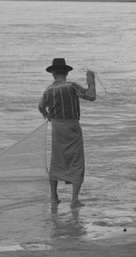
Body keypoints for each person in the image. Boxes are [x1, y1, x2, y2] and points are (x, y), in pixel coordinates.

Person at [38, 58, 96, 208]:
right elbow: (91, 96)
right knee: (76, 160)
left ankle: (53, 198)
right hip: (72, 127)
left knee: (56, 160)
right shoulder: (71, 86)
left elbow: (40, 106)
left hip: (57, 128)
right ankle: (74, 200)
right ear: (66, 73)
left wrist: (48, 116)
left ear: (53, 74)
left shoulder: (48, 90)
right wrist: (91, 80)